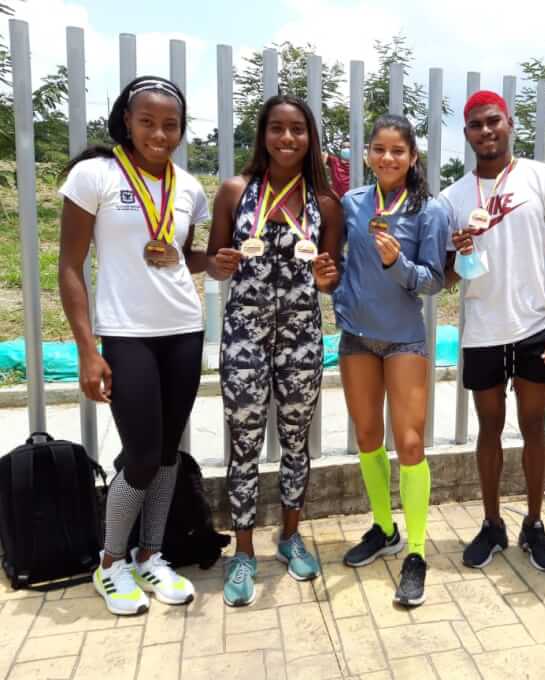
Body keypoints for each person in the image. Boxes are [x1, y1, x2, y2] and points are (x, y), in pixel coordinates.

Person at [58, 76, 207, 615]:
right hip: (126, 335)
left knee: (166, 455)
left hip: (184, 329)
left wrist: (213, 261)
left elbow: (181, 255)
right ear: (127, 120)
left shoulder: (188, 187)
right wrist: (87, 349)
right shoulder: (94, 175)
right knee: (141, 456)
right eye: (147, 122)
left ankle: (151, 554)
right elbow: (69, 267)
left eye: (170, 125)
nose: (159, 134)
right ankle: (110, 562)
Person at [207, 95, 342, 607]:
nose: (287, 138)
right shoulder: (235, 192)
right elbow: (215, 261)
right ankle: (243, 552)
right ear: (263, 134)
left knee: (295, 441)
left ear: (310, 138)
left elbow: (331, 276)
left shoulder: (324, 202)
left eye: (298, 129)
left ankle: (289, 536)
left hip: (302, 338)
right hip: (244, 335)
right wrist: (220, 264)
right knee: (243, 444)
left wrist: (327, 278)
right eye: (277, 128)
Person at [443, 91, 545, 573]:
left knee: (534, 427)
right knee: (489, 429)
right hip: (483, 329)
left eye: (493, 121)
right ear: (466, 134)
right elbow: (448, 276)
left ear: (509, 123)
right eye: (476, 125)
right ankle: (492, 523)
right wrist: (459, 250)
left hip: (535, 324)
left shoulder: (544, 177)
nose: (486, 131)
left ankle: (534, 523)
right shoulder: (452, 198)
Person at [334, 114, 446, 607]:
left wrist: (397, 264)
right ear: (367, 154)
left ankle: (416, 551)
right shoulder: (353, 203)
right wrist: (336, 292)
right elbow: (341, 266)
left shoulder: (429, 210)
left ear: (412, 157)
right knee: (366, 437)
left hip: (403, 339)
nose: (387, 158)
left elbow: (434, 280)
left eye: (398, 150)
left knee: (411, 443)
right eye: (379, 149)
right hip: (358, 338)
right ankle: (384, 528)